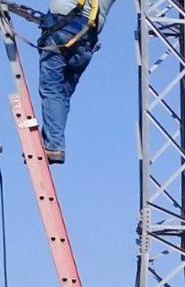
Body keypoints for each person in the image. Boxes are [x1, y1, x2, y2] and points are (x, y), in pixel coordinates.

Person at [38, 0, 117, 164]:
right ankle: (51, 141)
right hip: (86, 41)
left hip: (62, 31)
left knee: (52, 89)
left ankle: (53, 145)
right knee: (62, 94)